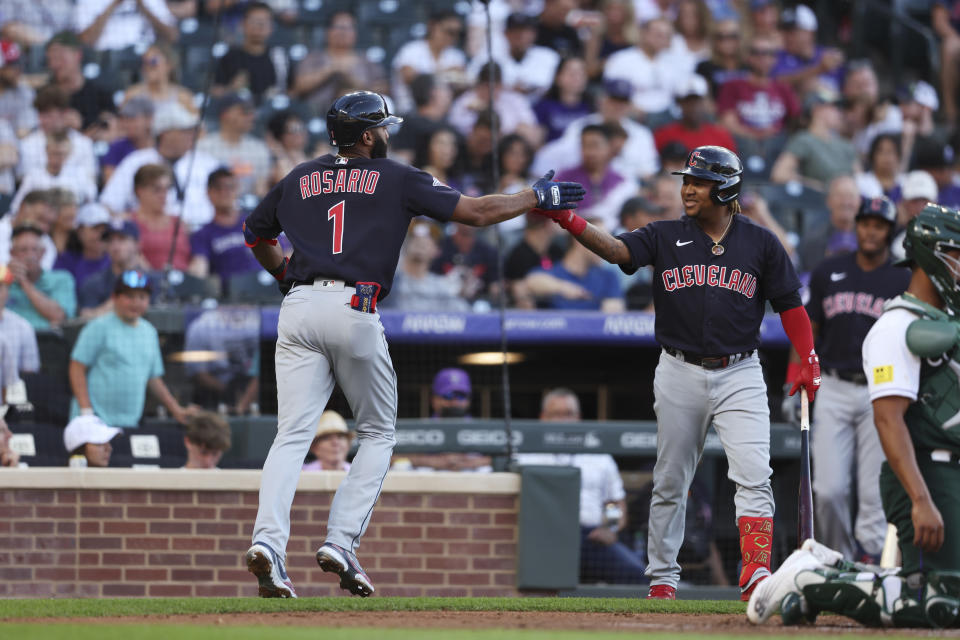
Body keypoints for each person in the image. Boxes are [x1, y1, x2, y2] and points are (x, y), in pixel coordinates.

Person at [241, 90, 583, 599]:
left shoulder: (297, 177)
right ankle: (341, 541)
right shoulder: (396, 174)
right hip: (355, 306)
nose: (387, 135)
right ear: (365, 136)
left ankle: (268, 544)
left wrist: (286, 276)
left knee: (290, 436)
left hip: (298, 306)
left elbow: (255, 235)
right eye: (382, 128)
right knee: (377, 431)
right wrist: (534, 198)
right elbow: (478, 212)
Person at [537, 145, 820, 600]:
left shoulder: (760, 241)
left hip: (740, 370)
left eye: (699, 181)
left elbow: (790, 305)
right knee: (670, 478)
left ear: (725, 188)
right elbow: (615, 249)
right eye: (686, 179)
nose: (687, 188)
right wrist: (568, 220)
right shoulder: (666, 234)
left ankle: (756, 573)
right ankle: (663, 578)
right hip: (678, 368)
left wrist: (807, 359)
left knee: (753, 472)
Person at [747, 204, 960, 629]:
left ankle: (827, 570)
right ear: (931, 254)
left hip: (947, 467)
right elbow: (888, 420)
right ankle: (808, 580)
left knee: (941, 588)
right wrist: (920, 500)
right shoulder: (896, 325)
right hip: (921, 467)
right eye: (955, 254)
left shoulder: (942, 320)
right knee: (942, 605)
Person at [787, 196, 910, 561]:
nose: (871, 231)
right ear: (856, 226)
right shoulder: (828, 270)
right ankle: (839, 563)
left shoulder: (902, 277)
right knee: (828, 491)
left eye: (879, 226)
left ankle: (872, 570)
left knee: (874, 499)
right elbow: (806, 332)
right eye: (866, 223)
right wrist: (792, 384)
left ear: (889, 232)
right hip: (836, 386)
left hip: (881, 390)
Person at [515, 387, 647, 584]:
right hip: (543, 539)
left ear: (578, 417)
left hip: (591, 538)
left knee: (638, 575)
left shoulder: (599, 457)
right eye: (556, 414)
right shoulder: (527, 453)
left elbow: (614, 504)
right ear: (543, 417)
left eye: (569, 414)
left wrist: (610, 529)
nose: (564, 420)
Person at [68, 269, 191, 428]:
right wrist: (86, 411)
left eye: (142, 297)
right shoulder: (98, 327)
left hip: (129, 423)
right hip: (95, 422)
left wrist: (175, 409)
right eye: (129, 296)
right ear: (115, 298)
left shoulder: (149, 332)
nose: (136, 303)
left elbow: (153, 378)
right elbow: (77, 367)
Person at [99, 101, 221, 228]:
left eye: (192, 131)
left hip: (206, 232)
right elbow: (108, 204)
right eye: (184, 131)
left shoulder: (208, 163)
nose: (191, 136)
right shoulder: (135, 162)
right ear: (165, 133)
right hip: (152, 234)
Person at [290, 10, 387, 116]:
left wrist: (353, 91)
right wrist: (331, 69)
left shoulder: (366, 60)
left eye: (348, 28)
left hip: (359, 117)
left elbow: (383, 89)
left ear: (355, 32)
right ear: (328, 31)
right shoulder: (313, 57)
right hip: (317, 114)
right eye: (338, 27)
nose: (343, 32)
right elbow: (298, 87)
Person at [523, 218, 625, 312]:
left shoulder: (608, 276)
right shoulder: (552, 273)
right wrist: (562, 288)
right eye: (600, 240)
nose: (607, 247)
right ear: (580, 240)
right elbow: (531, 282)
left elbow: (615, 311)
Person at [770, 90, 859, 192]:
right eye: (835, 107)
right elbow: (779, 174)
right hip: (821, 202)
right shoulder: (803, 139)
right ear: (816, 109)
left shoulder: (846, 144)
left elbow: (860, 179)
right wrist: (819, 186)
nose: (841, 112)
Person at [555, 124, 639, 230]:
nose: (590, 152)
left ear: (609, 147)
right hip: (572, 233)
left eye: (595, 145)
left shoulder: (622, 181)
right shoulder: (564, 178)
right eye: (585, 146)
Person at [188, 168, 261, 289]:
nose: (224, 192)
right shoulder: (203, 234)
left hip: (269, 293)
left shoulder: (256, 224)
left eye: (230, 187)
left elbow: (285, 254)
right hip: (229, 298)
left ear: (237, 190)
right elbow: (199, 268)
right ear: (209, 193)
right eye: (218, 188)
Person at [467, 12, 560, 101]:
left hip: (541, 110)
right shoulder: (489, 54)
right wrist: (509, 88)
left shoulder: (548, 56)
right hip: (501, 108)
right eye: (516, 31)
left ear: (534, 34)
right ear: (505, 33)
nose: (522, 36)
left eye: (527, 31)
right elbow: (472, 79)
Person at [183, 306, 259, 414]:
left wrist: (242, 405)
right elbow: (199, 373)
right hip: (212, 395)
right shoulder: (201, 325)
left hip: (247, 393)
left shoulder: (260, 321)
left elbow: (261, 377)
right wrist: (227, 391)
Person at [390, 10, 467, 114]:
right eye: (449, 31)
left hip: (444, 114)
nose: (453, 37)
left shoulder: (456, 55)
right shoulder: (411, 50)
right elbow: (410, 78)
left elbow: (462, 85)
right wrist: (446, 75)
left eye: (457, 33)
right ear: (432, 26)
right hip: (411, 113)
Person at [197, 93, 270, 199]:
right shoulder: (204, 147)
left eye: (251, 112)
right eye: (244, 112)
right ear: (225, 114)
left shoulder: (259, 148)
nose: (251, 116)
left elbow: (261, 190)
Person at [380, 227, 468, 313]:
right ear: (406, 243)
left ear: (437, 251)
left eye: (429, 238)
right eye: (415, 237)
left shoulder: (440, 286)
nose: (422, 240)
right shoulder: (388, 280)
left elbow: (468, 316)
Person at [45, 29, 115, 133]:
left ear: (77, 55)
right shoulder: (44, 95)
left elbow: (113, 130)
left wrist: (82, 134)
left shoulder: (100, 94)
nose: (56, 65)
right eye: (51, 59)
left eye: (60, 58)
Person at [5, 225, 75, 330]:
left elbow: (59, 315)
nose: (30, 255)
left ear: (43, 253)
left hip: (47, 341)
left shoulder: (61, 279)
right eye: (23, 250)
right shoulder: (3, 282)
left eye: (35, 250)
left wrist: (24, 282)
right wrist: (5, 278)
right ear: (12, 253)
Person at [10, 131, 97, 214]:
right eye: (56, 153)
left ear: (69, 153)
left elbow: (91, 199)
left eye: (63, 154)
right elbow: (16, 206)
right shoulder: (34, 175)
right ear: (47, 150)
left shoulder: (79, 173)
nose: (60, 158)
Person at [212, 2, 284, 103]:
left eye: (265, 22)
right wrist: (231, 89)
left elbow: (291, 91)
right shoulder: (229, 57)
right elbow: (215, 92)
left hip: (273, 113)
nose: (260, 26)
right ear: (242, 24)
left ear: (271, 27)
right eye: (254, 21)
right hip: (240, 111)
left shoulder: (280, 57)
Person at [78, 220, 151, 318]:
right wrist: (116, 304)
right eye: (110, 241)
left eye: (122, 239)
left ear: (137, 244)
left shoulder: (154, 280)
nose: (115, 246)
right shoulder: (94, 283)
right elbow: (83, 320)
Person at [653, 74, 737, 155]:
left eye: (697, 101)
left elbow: (732, 167)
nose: (694, 107)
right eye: (688, 102)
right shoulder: (664, 135)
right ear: (679, 103)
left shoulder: (721, 135)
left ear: (705, 102)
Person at [131, 163, 191, 271]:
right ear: (140, 191)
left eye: (167, 189)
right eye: (157, 190)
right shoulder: (130, 223)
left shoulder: (180, 223)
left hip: (183, 282)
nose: (164, 195)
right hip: (146, 283)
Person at [797, 175, 861, 272]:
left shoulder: (869, 238)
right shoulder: (813, 240)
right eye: (840, 196)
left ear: (859, 201)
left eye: (851, 196)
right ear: (828, 201)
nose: (846, 202)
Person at [122, 43, 198, 115]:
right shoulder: (133, 95)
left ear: (169, 65)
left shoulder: (183, 97)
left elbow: (198, 127)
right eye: (145, 62)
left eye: (153, 61)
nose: (148, 66)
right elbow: (121, 124)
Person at [0, 263, 39, 398]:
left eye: (0, 287)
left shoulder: (23, 327)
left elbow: (28, 378)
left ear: (7, 292)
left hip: (9, 409)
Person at [52, 202, 110, 292]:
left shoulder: (116, 259)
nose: (101, 235)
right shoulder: (66, 261)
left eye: (105, 229)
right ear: (80, 231)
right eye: (96, 229)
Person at [77, 0, 178, 52]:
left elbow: (172, 36)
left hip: (145, 56)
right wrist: (113, 4)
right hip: (106, 58)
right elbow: (85, 40)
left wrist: (143, 7)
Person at [100, 97, 155, 185]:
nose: (126, 124)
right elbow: (110, 184)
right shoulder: (116, 148)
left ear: (149, 119)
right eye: (124, 119)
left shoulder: (161, 147)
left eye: (132, 119)